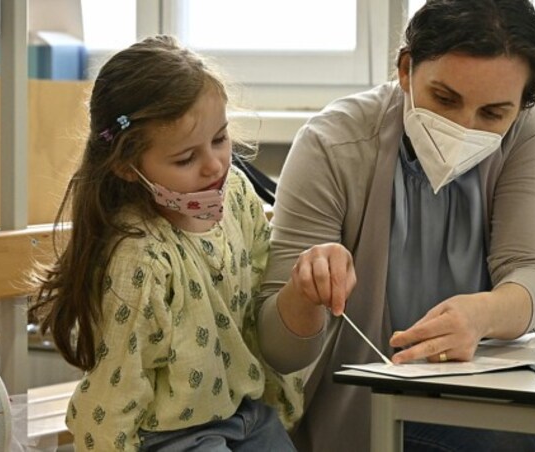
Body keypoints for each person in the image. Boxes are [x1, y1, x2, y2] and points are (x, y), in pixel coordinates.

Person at [257, 0, 535, 450]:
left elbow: (534, 272)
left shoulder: (522, 132)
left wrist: (481, 316)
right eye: (444, 98)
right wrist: (303, 294)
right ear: (405, 68)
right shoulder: (331, 144)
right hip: (367, 411)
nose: (463, 126)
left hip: (486, 396)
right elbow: (280, 351)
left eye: (493, 114)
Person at [29, 35, 343, 451]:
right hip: (173, 434)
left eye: (220, 139)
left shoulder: (236, 199)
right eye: (185, 159)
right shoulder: (139, 258)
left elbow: (259, 310)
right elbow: (114, 392)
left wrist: (304, 288)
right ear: (126, 167)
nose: (214, 165)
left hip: (245, 414)